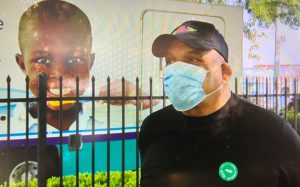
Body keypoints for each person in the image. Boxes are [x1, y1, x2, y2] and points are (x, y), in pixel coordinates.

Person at [139, 20, 300, 187]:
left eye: (193, 59)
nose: (177, 69)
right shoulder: (154, 128)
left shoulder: (272, 133)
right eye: (171, 62)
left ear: (225, 72)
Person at [13, 0, 157, 132]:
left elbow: (160, 117)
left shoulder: (113, 115)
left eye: (74, 59)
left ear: (91, 62)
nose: (60, 73)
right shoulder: (10, 124)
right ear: (21, 64)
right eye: (43, 60)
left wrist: (134, 92)